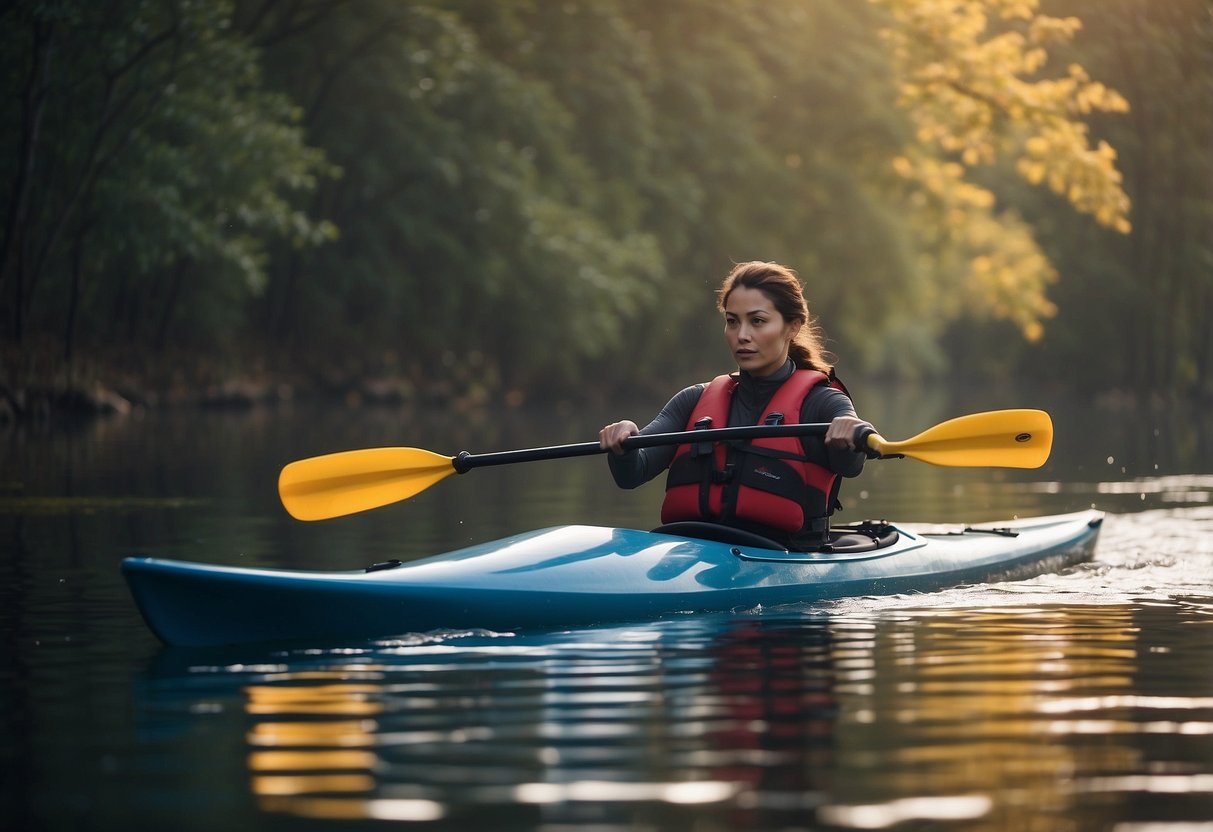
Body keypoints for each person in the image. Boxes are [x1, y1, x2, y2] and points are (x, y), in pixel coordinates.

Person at [598, 261, 875, 551]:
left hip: (781, 556)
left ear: (792, 326)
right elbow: (632, 474)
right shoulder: (693, 400)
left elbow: (850, 465)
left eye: (757, 321)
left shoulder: (823, 401)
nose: (742, 335)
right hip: (690, 550)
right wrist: (624, 443)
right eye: (732, 321)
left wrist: (849, 439)